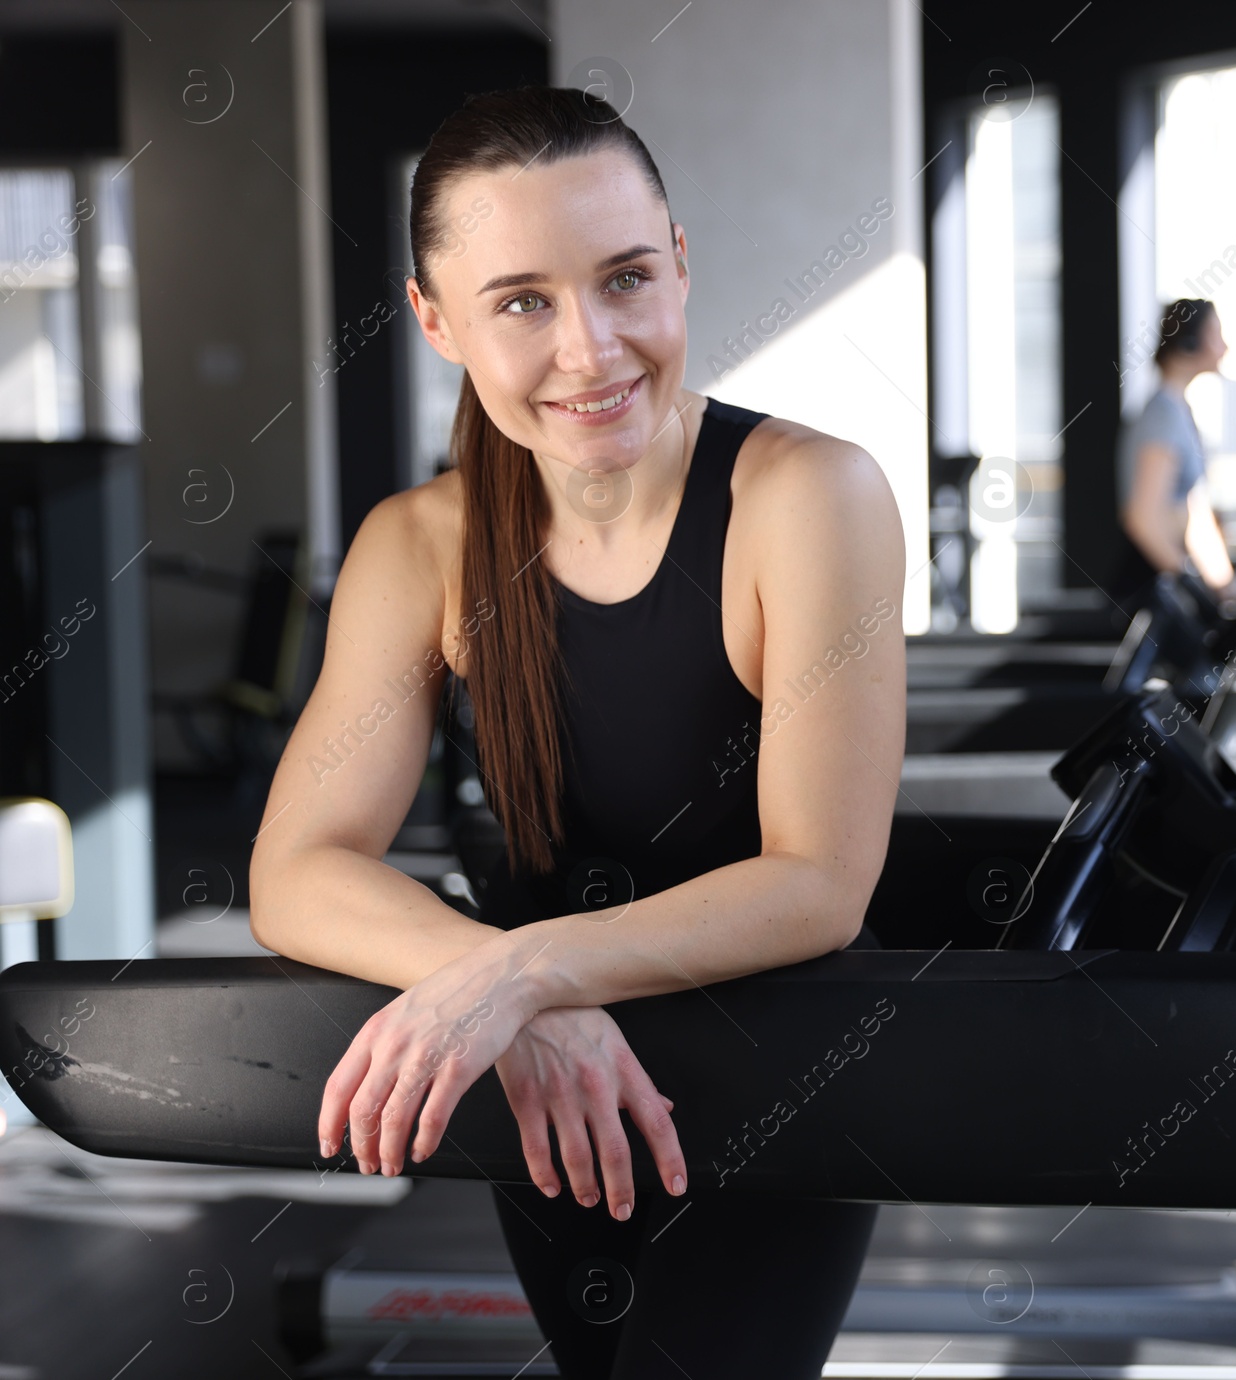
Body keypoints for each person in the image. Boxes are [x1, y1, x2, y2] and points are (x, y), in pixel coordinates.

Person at [246, 85, 906, 1379]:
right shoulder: (420, 546)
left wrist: (523, 973)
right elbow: (295, 866)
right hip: (550, 1087)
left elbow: (819, 881)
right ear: (434, 318)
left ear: (680, 263)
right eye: (524, 302)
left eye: (624, 279)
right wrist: (511, 985)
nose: (594, 351)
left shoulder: (809, 496)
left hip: (778, 1059)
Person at [1114, 298, 1235, 604]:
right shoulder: (1163, 416)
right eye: (1216, 334)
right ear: (1191, 342)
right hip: (1148, 591)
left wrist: (1219, 584)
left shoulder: (1178, 411)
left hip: (1165, 584)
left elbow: (1190, 510)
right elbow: (1143, 518)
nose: (1225, 347)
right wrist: (1191, 585)